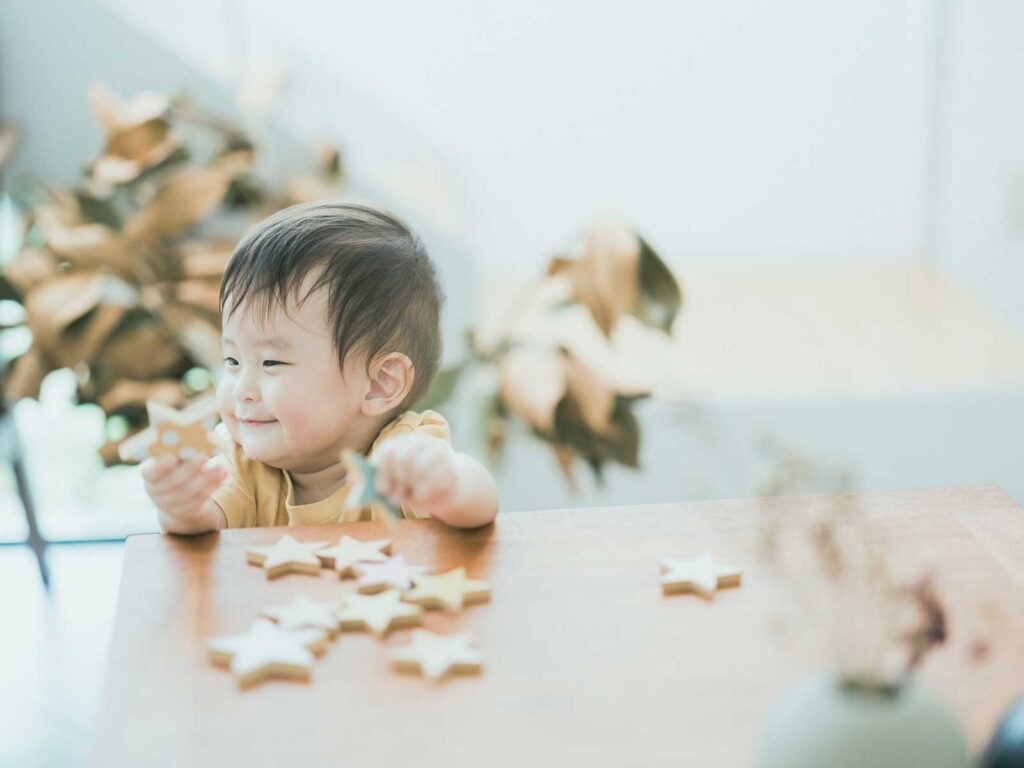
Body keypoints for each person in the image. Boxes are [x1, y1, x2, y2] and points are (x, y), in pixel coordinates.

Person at [141, 201, 498, 534]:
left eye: (271, 362)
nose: (241, 390)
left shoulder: (401, 453)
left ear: (379, 384)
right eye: (232, 361)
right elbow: (204, 522)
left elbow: (479, 504)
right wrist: (180, 506)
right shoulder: (239, 462)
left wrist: (444, 482)